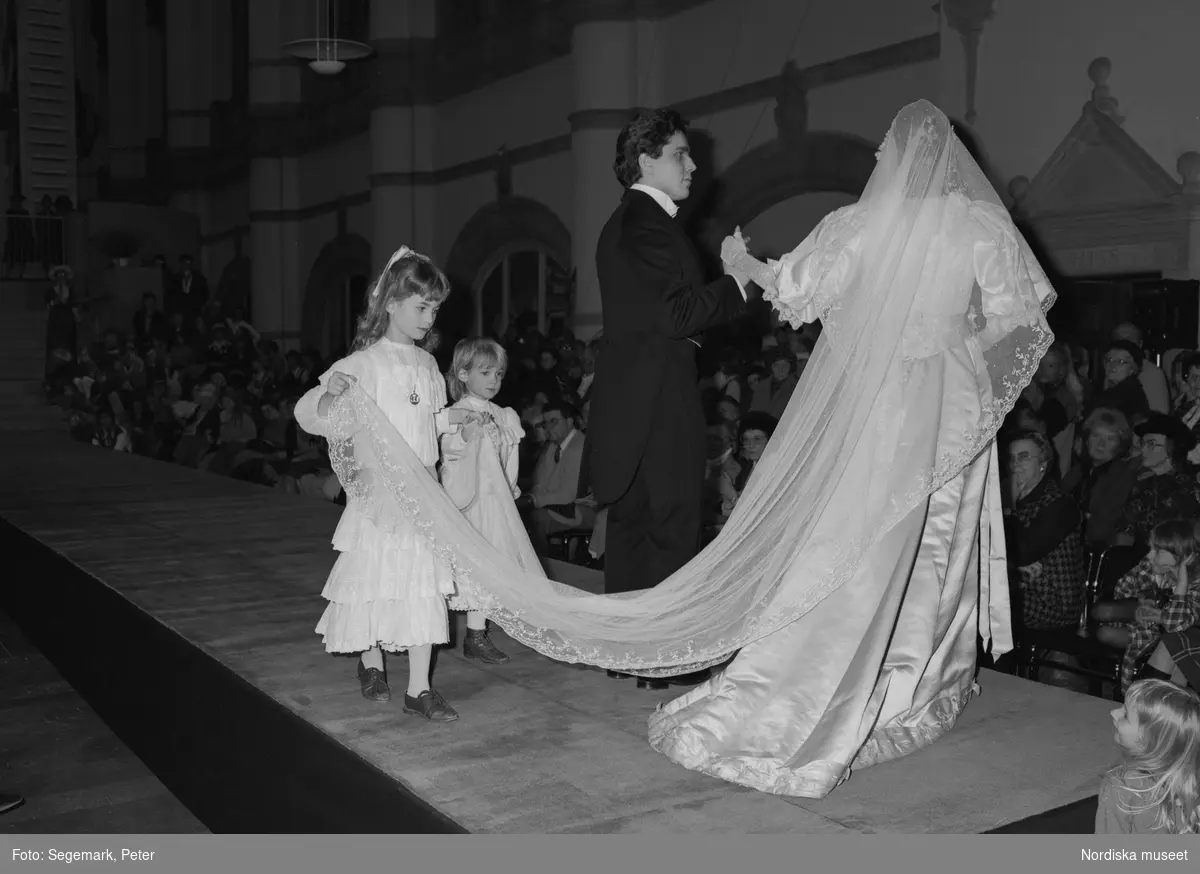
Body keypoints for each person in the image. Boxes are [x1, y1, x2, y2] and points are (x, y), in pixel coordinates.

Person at [309, 101, 1052, 799]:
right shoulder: (977, 222)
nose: (696, 168)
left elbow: (794, 288)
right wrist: (949, 357)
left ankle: (788, 667)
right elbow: (1018, 317)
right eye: (683, 156)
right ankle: (915, 676)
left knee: (862, 538)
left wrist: (754, 273)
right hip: (944, 402)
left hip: (884, 402)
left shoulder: (863, 224)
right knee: (930, 542)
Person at [294, 246, 487, 723]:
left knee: (424, 585)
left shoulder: (427, 366)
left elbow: (429, 422)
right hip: (381, 494)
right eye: (421, 307)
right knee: (376, 582)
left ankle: (419, 689)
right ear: (391, 304)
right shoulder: (363, 364)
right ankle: (371, 660)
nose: (429, 317)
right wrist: (329, 395)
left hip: (422, 491)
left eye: (435, 309)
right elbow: (308, 414)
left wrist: (454, 424)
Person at [587, 108, 752, 615]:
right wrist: (735, 282)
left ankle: (632, 652)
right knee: (671, 524)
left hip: (632, 400)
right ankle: (666, 659)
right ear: (646, 160)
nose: (693, 166)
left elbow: (654, 315)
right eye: (680, 154)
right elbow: (677, 315)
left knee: (635, 526)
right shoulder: (650, 225)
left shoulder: (623, 222)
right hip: (660, 399)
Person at [441, 337, 539, 665]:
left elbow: (509, 458)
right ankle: (436, 632)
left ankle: (476, 635)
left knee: (491, 569)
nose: (493, 381)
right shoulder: (455, 413)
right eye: (485, 373)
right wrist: (465, 438)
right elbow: (448, 454)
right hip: (468, 501)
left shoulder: (503, 414)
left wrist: (509, 491)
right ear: (464, 374)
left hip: (493, 502)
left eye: (498, 374)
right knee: (466, 569)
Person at [1096, 679, 1200, 834]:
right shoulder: (1191, 779)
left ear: (1151, 739)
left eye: (1125, 715)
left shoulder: (1120, 785)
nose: (1113, 712)